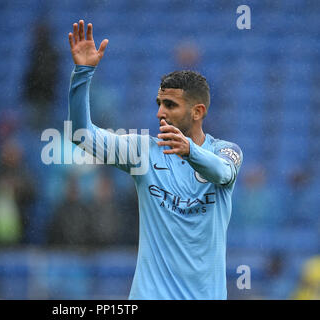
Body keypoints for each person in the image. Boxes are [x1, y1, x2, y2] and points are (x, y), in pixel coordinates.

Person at [66, 20, 243, 299]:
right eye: (158, 104)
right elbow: (81, 135)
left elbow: (223, 173)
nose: (160, 113)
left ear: (198, 112)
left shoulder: (225, 151)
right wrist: (82, 73)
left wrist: (190, 151)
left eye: (170, 105)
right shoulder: (143, 154)